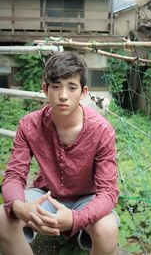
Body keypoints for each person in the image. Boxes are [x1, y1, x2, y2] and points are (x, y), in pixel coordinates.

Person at [0, 52, 119, 255]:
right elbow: (14, 175)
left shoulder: (102, 130)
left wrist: (75, 219)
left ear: (83, 92)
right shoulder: (29, 125)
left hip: (87, 199)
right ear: (46, 89)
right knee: (2, 217)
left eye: (72, 87)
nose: (63, 95)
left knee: (107, 229)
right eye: (56, 86)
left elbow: (108, 191)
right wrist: (19, 207)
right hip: (46, 195)